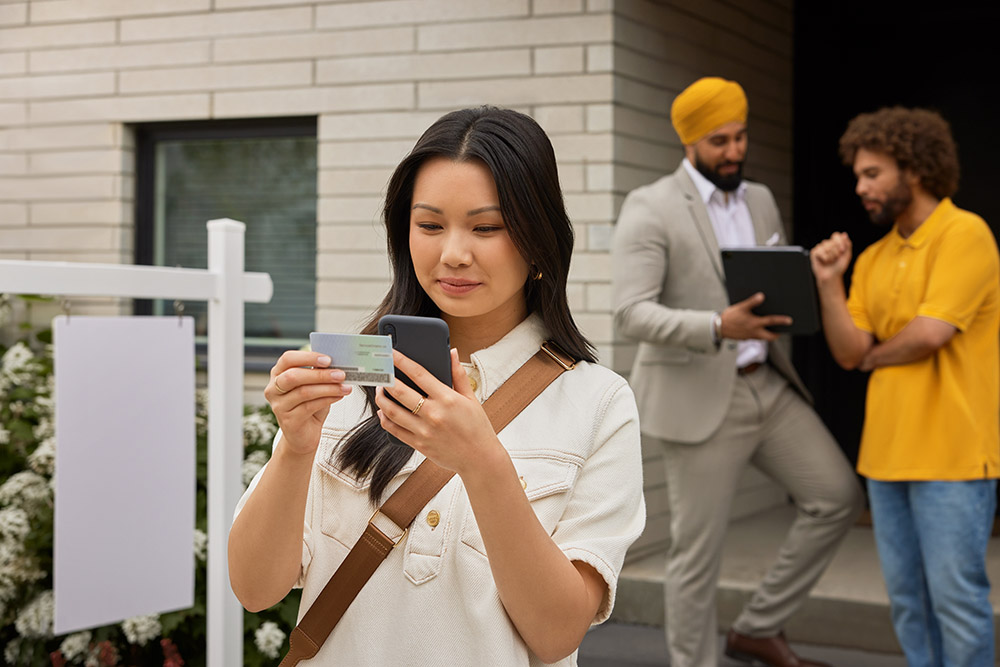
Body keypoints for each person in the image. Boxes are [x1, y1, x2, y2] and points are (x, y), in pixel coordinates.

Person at [228, 106, 646, 666]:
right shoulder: (351, 374)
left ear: (539, 239)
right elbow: (256, 590)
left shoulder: (599, 402)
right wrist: (296, 449)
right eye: (429, 225)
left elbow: (556, 634)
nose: (453, 253)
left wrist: (482, 462)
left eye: (486, 227)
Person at [612, 77, 862, 667]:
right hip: (699, 395)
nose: (734, 151)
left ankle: (757, 627)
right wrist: (717, 326)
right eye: (720, 140)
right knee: (697, 556)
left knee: (837, 497)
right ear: (690, 141)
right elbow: (630, 312)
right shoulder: (651, 206)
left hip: (767, 385)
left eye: (741, 136)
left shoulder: (761, 200)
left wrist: (815, 270)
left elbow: (771, 279)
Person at [811, 106, 998, 666]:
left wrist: (875, 357)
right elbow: (848, 351)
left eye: (872, 173)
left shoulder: (965, 234)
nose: (860, 186)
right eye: (859, 175)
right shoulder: (872, 257)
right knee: (910, 605)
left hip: (953, 458)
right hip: (887, 458)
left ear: (913, 169)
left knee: (957, 603)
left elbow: (929, 334)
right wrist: (828, 283)